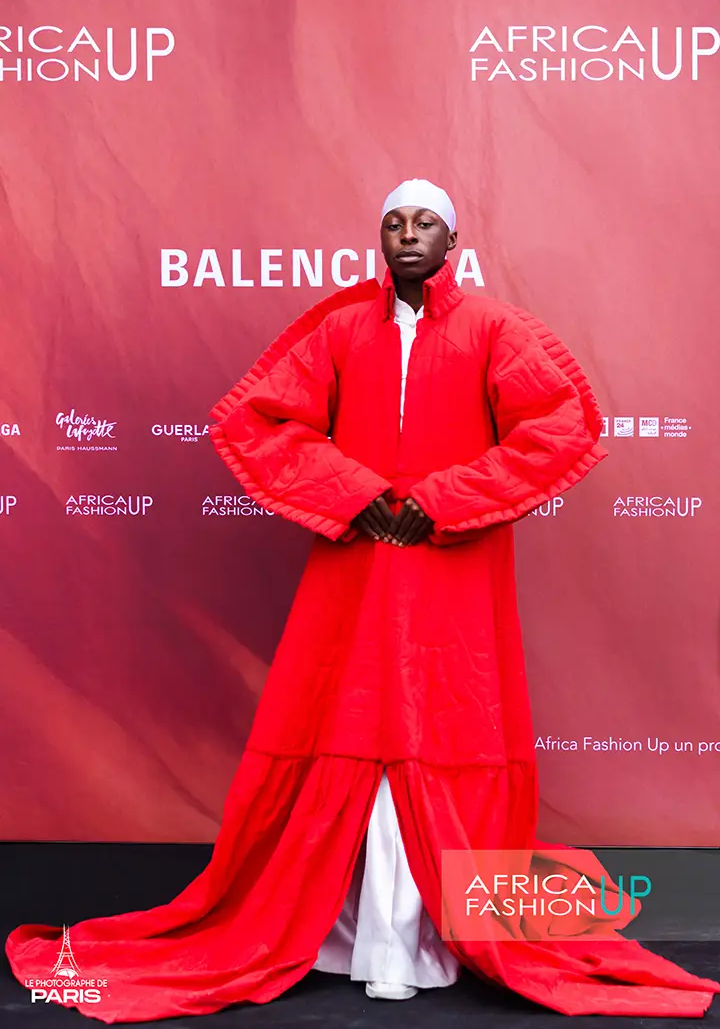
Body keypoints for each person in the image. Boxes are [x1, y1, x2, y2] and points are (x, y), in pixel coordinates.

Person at [5, 179, 720, 1022]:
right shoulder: (342, 330)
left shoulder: (495, 330)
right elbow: (259, 421)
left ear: (453, 243)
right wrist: (355, 493)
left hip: (454, 571)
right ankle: (347, 938)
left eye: (426, 223)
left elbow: (560, 424)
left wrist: (444, 500)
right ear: (380, 239)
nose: (408, 234)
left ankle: (416, 944)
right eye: (394, 222)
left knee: (438, 731)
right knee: (353, 724)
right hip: (358, 566)